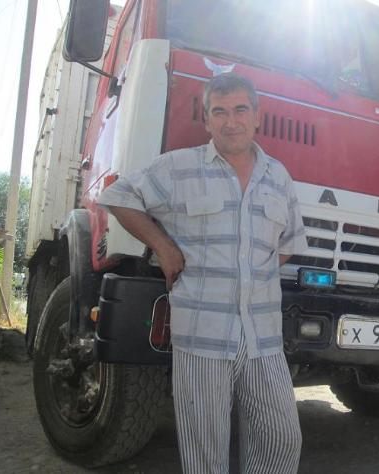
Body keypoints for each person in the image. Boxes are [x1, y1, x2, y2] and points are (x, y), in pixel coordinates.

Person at [98, 73, 307, 473]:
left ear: (257, 117)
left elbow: (288, 243)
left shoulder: (278, 176)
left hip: (263, 336)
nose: (231, 121)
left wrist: (250, 276)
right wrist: (163, 246)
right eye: (219, 112)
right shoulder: (178, 167)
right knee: (205, 451)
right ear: (207, 120)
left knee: (281, 437)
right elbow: (118, 197)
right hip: (202, 333)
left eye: (240, 110)